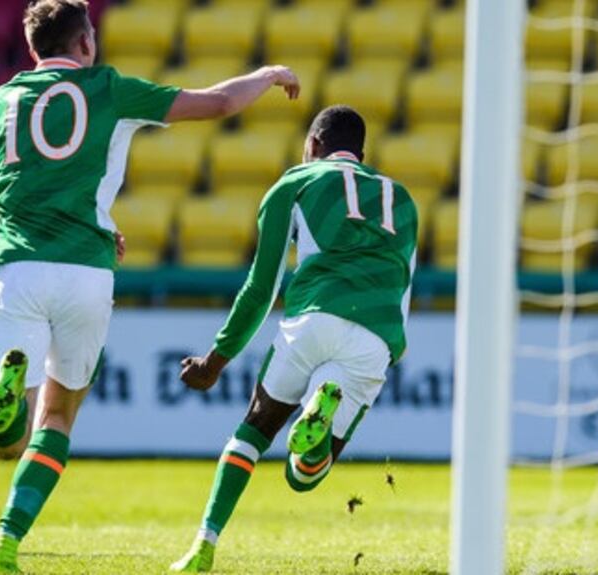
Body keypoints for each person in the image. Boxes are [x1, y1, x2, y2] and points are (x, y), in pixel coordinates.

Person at [0, 1, 300, 571]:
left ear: (32, 50)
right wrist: (267, 76)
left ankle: (6, 391)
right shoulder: (110, 88)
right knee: (56, 421)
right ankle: (5, 542)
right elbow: (217, 102)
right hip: (86, 273)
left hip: (17, 268)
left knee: (7, 441)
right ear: (84, 44)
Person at [168, 105, 418, 573]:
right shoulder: (402, 199)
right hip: (374, 336)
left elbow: (260, 289)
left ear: (313, 146)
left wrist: (214, 362)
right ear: (361, 154)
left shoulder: (296, 182)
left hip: (313, 320)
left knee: (252, 431)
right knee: (304, 477)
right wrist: (389, 352)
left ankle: (203, 544)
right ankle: (316, 432)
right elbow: (405, 286)